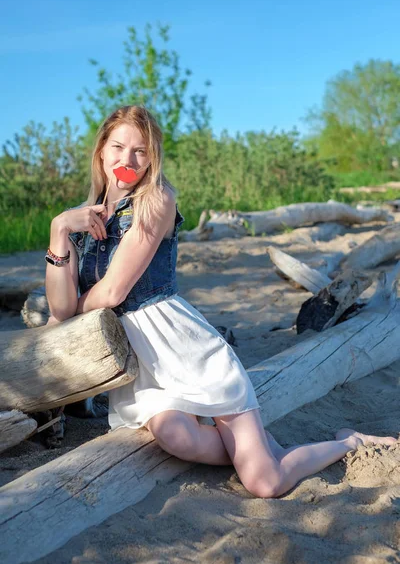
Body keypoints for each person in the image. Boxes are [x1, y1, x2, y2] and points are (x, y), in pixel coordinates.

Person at [46, 105, 397, 498]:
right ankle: (263, 449)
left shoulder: (156, 200)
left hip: (188, 353)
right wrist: (59, 230)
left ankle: (349, 442)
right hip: (144, 367)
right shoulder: (78, 220)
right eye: (118, 147)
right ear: (101, 152)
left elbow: (113, 293)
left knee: (265, 483)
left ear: (151, 160)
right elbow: (60, 308)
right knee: (176, 436)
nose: (127, 160)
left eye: (140, 151)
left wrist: (74, 310)